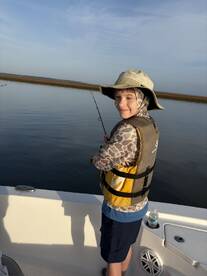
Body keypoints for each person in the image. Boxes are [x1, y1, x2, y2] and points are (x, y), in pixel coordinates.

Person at [91, 69, 164, 276]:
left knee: (113, 258)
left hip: (120, 209)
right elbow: (133, 153)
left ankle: (116, 272)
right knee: (126, 247)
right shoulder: (150, 124)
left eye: (129, 97)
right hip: (139, 204)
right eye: (118, 97)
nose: (121, 103)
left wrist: (97, 155)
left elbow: (102, 162)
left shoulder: (127, 130)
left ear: (143, 99)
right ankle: (123, 272)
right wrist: (114, 146)